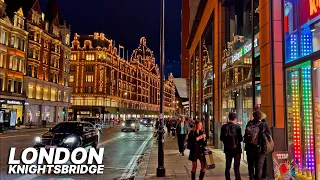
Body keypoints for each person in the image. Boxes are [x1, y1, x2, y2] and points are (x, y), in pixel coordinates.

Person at [244, 111, 271, 180]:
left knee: (250, 165)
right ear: (261, 117)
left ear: (253, 116)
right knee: (258, 167)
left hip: (249, 148)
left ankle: (251, 178)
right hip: (260, 149)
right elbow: (269, 136)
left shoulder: (249, 124)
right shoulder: (264, 124)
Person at [220, 112, 243, 180]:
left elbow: (221, 138)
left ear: (228, 118)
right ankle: (237, 178)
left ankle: (227, 178)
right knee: (236, 167)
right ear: (235, 119)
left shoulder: (223, 127)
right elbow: (240, 139)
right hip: (237, 149)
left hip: (227, 149)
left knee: (227, 166)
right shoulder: (237, 127)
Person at [252, 106, 268, 180]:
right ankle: (262, 177)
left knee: (252, 165)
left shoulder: (250, 123)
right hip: (261, 147)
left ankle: (252, 177)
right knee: (260, 166)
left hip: (251, 147)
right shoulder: (264, 123)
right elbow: (269, 135)